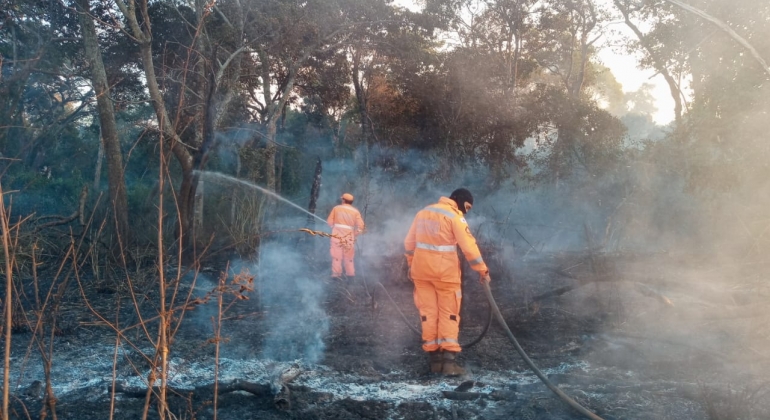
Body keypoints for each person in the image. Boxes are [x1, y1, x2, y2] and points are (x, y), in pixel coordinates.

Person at [403, 188, 491, 376]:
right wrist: (482, 270)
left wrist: (412, 265)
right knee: (448, 314)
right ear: (457, 199)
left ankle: (435, 362)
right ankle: (449, 364)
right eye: (466, 206)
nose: (466, 211)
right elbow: (469, 246)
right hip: (445, 274)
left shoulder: (423, 212)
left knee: (428, 313)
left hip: (421, 272)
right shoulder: (454, 216)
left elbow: (409, 243)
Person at [327, 193, 365, 279]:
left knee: (337, 257)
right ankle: (350, 275)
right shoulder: (355, 212)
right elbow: (361, 226)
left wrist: (333, 226)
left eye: (342, 199)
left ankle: (336, 276)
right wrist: (354, 234)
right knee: (349, 258)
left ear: (343, 200)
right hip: (349, 238)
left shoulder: (336, 208)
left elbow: (329, 222)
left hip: (336, 237)